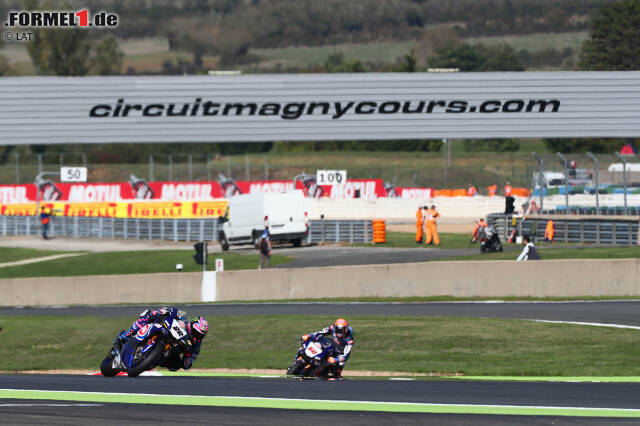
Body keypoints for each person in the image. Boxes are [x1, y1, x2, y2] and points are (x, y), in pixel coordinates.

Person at [115, 307, 209, 371]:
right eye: (196, 333)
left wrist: (187, 362)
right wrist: (167, 312)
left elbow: (189, 361)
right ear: (191, 325)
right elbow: (172, 312)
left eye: (200, 335)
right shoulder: (184, 321)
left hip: (172, 347)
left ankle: (154, 360)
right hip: (164, 329)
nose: (197, 336)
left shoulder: (196, 345)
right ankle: (126, 335)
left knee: (176, 365)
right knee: (151, 314)